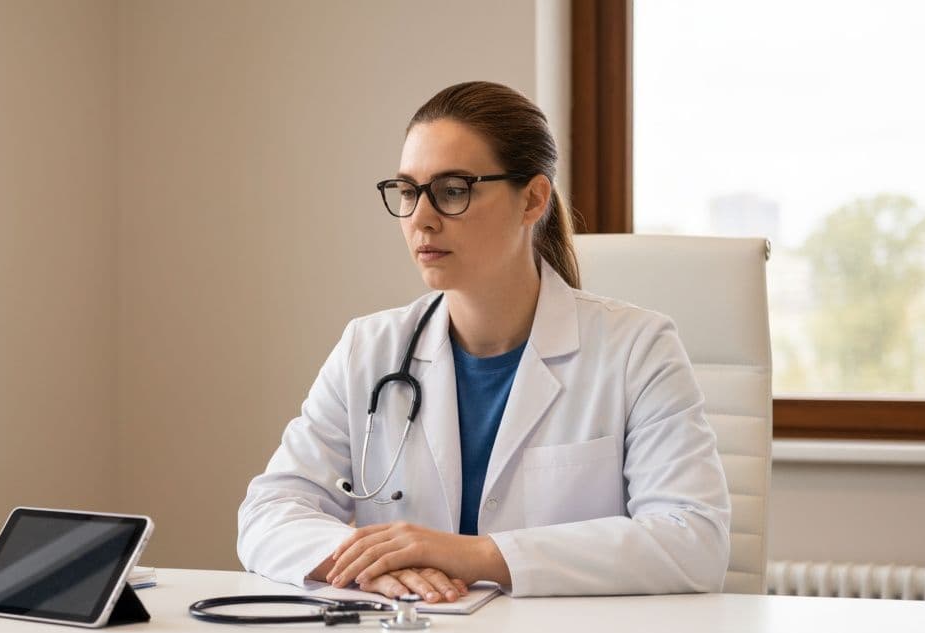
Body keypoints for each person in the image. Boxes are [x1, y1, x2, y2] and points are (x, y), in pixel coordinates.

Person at [236, 81, 731, 601]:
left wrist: (475, 554)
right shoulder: (370, 348)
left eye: (453, 190)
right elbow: (268, 514)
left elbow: (694, 541)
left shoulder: (636, 349)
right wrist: (374, 565)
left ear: (533, 199)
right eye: (408, 192)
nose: (421, 218)